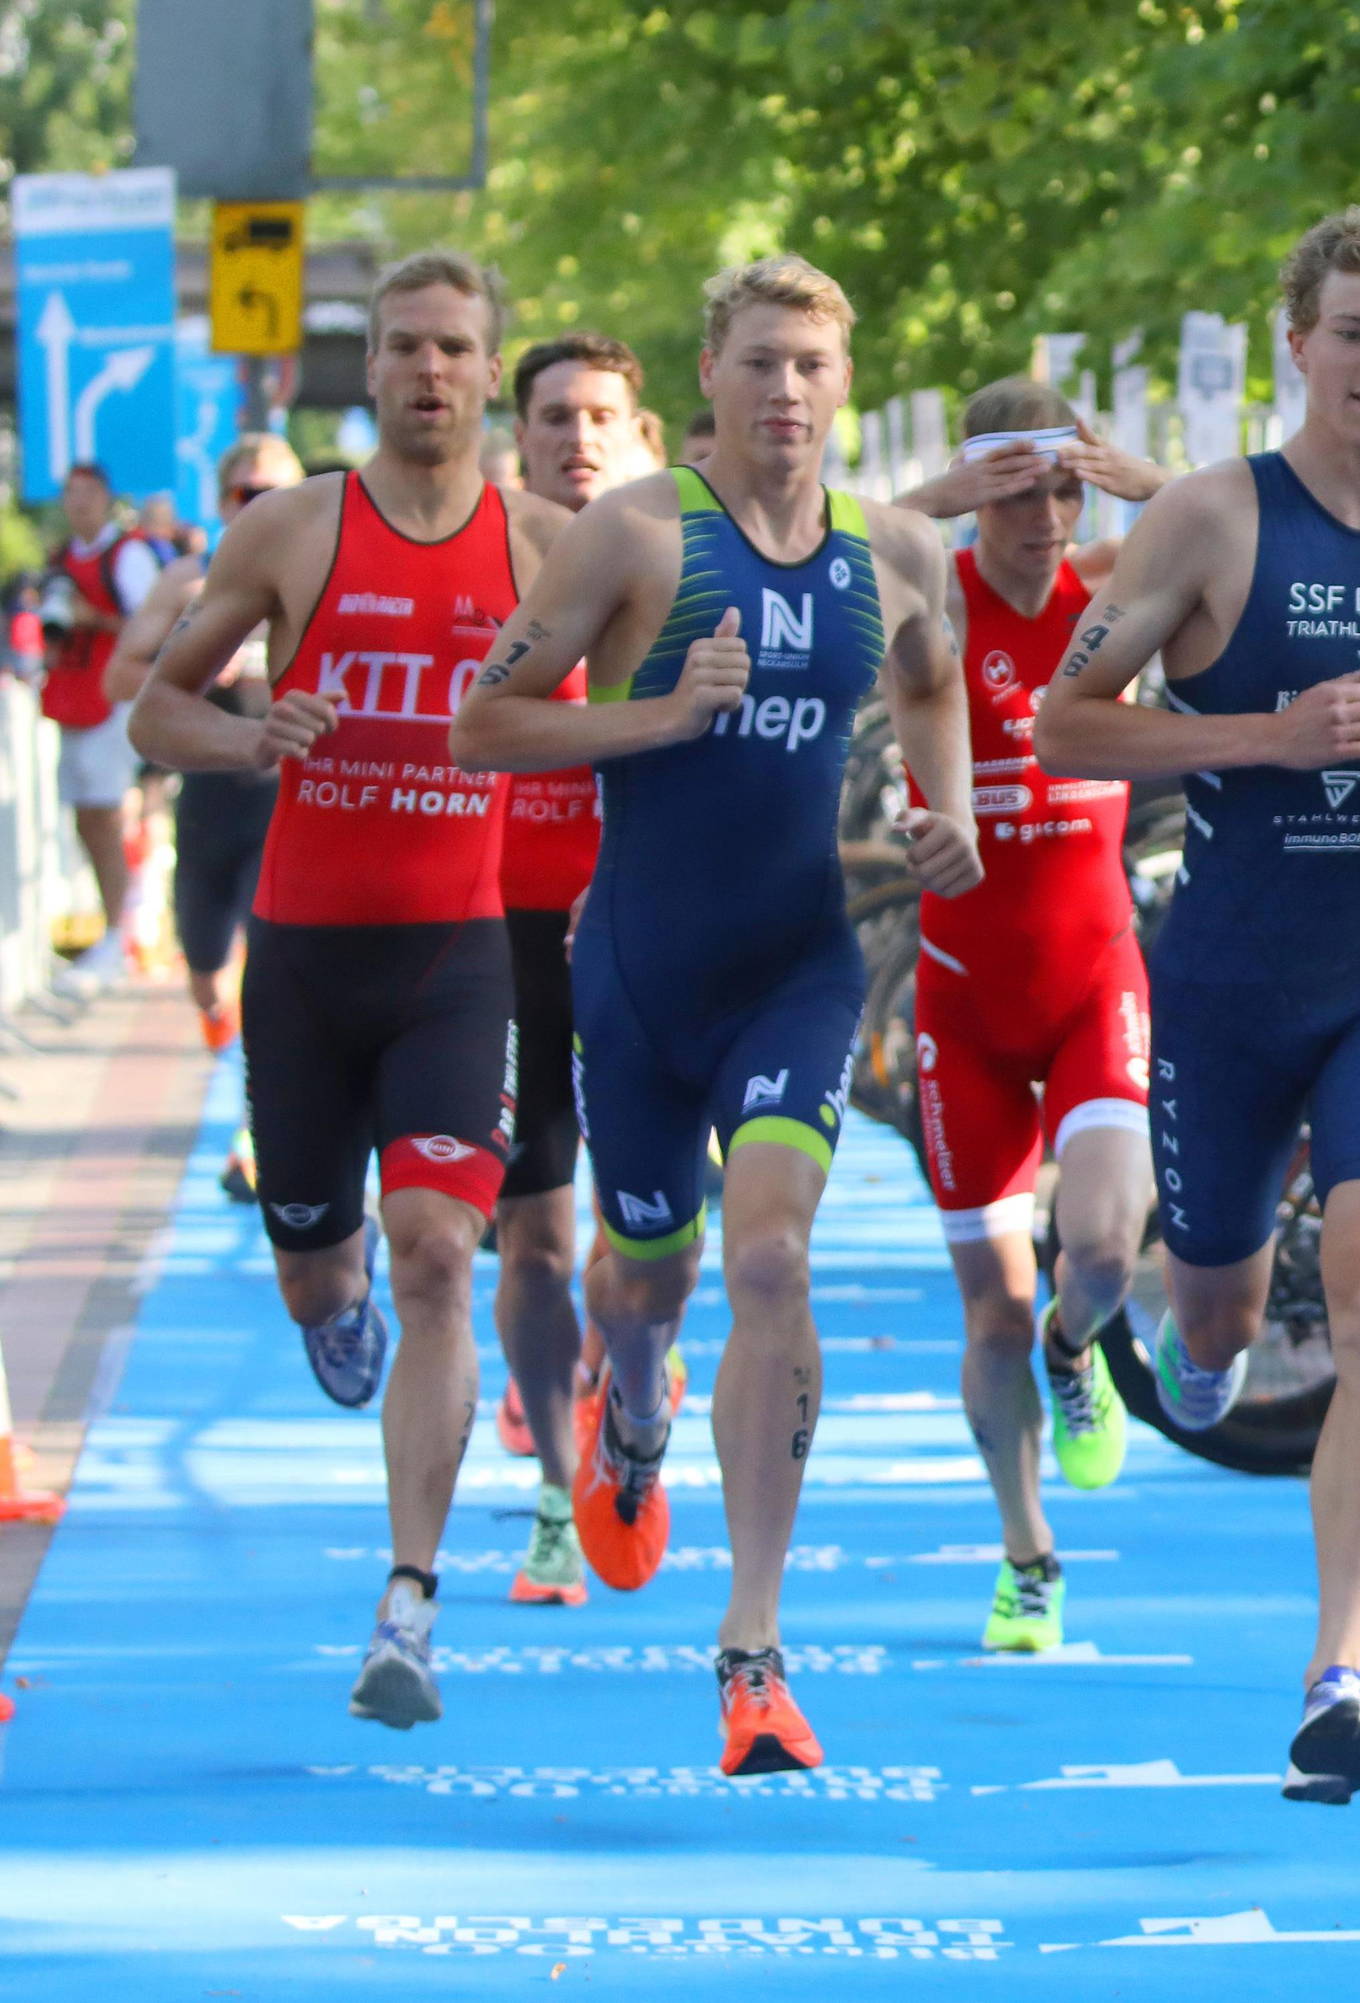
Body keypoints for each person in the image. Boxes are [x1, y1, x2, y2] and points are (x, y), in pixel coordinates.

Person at [452, 254, 981, 1776]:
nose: (787, 392)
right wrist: (664, 715)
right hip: (634, 971)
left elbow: (934, 682)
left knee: (770, 1254)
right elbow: (484, 721)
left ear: (845, 382)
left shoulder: (893, 554)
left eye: (812, 364)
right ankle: (630, 1414)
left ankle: (752, 1650)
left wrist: (948, 817)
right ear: (712, 378)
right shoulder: (636, 533)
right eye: (760, 363)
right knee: (649, 1281)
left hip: (795, 965)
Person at [1035, 206, 1360, 1803]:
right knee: (1222, 1323)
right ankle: (1180, 1345)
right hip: (1233, 971)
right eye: (1355, 332)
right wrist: (1260, 737)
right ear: (1296, 344)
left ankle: (1342, 1670)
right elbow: (1061, 725)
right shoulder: (1208, 519)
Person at [129, 251, 566, 1731]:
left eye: (453, 347)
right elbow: (156, 706)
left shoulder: (551, 546)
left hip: (458, 956)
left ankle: (410, 1601)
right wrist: (252, 738)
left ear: (485, 370)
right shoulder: (295, 530)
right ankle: (333, 1296)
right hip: (305, 963)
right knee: (326, 1272)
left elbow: (631, 713)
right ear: (368, 371)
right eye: (402, 348)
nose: (428, 371)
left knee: (443, 1246)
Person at [892, 382, 1166, 1652]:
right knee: (988, 1311)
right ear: (971, 491)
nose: (1048, 515)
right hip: (961, 1007)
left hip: (1090, 979)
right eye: (1017, 489)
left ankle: (1080, 1347)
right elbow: (816, 566)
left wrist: (1139, 474)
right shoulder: (934, 593)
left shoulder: (1106, 584)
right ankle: (1027, 1550)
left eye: (1065, 486)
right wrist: (930, 503)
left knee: (1104, 1252)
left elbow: (1263, 532)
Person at [486, 329, 668, 1608]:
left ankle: (624, 1379)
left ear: (637, 432)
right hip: (506, 934)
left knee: (643, 1246)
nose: (577, 437)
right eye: (555, 416)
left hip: (660, 933)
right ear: (523, 436)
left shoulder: (683, 562)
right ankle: (558, 1490)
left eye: (600, 414)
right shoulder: (483, 558)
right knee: (535, 1244)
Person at [105, 433, 310, 1058]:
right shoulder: (190, 580)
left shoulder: (322, 578)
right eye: (245, 494)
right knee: (204, 970)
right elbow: (119, 678)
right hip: (208, 794)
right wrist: (184, 665)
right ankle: (224, 1043)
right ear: (223, 501)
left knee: (267, 963)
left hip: (285, 795)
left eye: (274, 494)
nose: (258, 506)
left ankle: (248, 1112)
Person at [42, 461, 166, 993]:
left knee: (111, 813)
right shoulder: (61, 559)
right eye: (71, 493)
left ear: (105, 498)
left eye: (89, 493)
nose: (79, 503)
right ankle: (112, 926)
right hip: (72, 694)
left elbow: (153, 626)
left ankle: (122, 932)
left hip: (112, 699)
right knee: (86, 817)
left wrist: (94, 620)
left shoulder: (129, 554)